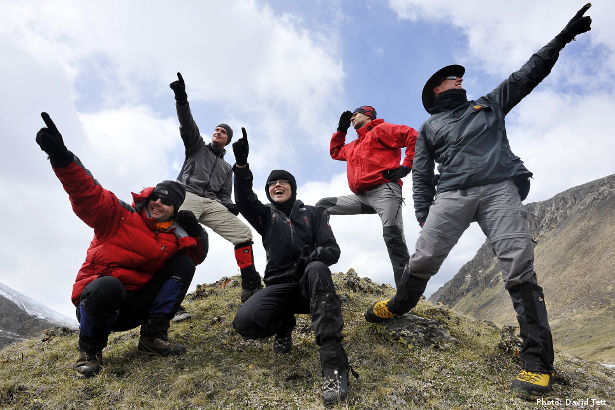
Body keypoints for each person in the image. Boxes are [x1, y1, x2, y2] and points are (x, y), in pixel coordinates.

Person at [364, 4, 592, 397]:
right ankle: (401, 304)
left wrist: (562, 38)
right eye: (453, 79)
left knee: (518, 263)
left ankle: (537, 360)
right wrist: (423, 213)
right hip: (450, 194)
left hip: (500, 188)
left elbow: (528, 73)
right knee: (423, 259)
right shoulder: (430, 126)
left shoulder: (489, 103)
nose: (460, 79)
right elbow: (420, 174)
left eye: (460, 77)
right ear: (436, 90)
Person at [35, 112, 209, 378]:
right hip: (98, 303)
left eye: (167, 201)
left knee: (183, 263)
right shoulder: (118, 215)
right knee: (107, 285)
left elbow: (195, 257)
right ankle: (89, 350)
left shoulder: (172, 237)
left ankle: (153, 336)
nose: (158, 203)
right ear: (148, 198)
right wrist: (62, 158)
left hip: (133, 308)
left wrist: (195, 230)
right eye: (156, 197)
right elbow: (88, 193)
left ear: (174, 210)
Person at [230, 130, 353, 406]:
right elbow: (243, 200)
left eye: (283, 182)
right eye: (272, 183)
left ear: (292, 188)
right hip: (279, 288)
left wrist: (311, 257)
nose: (277, 185)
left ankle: (333, 365)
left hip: (311, 285)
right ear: (269, 191)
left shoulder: (313, 214)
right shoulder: (265, 216)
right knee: (245, 322)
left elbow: (332, 250)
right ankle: (284, 325)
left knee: (319, 268)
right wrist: (241, 167)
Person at [169, 72, 263, 302]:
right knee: (176, 242)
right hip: (187, 194)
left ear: (228, 140)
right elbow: (187, 123)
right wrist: (182, 99)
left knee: (243, 233)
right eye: (216, 129)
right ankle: (168, 295)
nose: (218, 131)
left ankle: (250, 284)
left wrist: (229, 206)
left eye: (223, 131)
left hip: (210, 203)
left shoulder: (227, 168)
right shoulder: (196, 147)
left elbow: (224, 195)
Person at [315, 106, 418, 286]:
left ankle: (406, 292)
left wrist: (406, 165)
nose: (352, 116)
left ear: (368, 116)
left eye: (357, 113)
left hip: (385, 192)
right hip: (362, 197)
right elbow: (335, 152)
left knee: (393, 238)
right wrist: (341, 130)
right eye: (351, 115)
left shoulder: (380, 130)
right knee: (322, 206)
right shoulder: (354, 145)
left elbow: (412, 135)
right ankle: (320, 253)